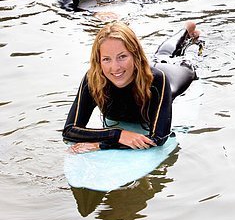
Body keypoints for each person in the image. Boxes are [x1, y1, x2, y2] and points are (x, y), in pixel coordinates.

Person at [62, 20, 201, 152]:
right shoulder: (93, 79)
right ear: (98, 61)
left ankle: (189, 35)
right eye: (106, 59)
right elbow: (69, 130)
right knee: (161, 54)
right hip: (145, 67)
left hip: (174, 74)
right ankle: (186, 29)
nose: (115, 67)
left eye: (122, 56)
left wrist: (100, 145)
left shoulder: (156, 82)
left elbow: (159, 138)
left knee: (187, 60)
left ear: (135, 55)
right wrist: (118, 134)